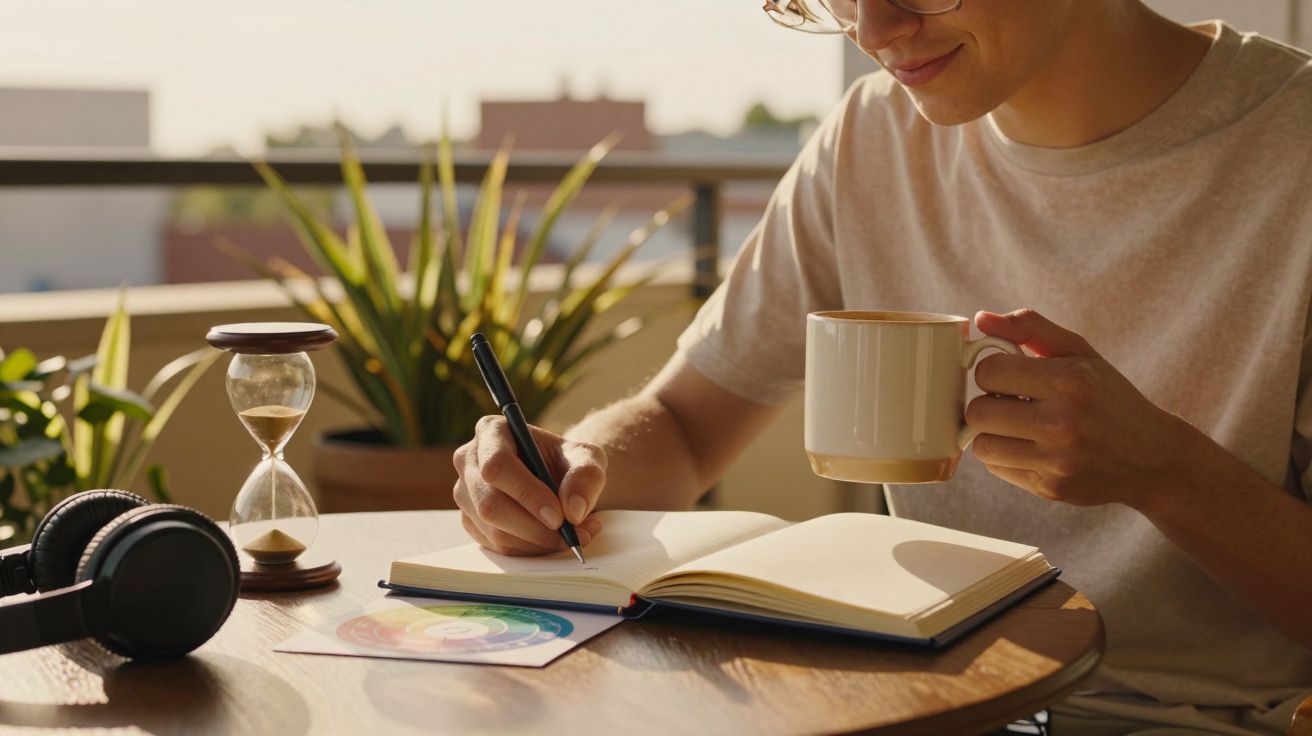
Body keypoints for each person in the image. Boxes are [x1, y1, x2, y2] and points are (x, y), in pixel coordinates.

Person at [452, 1, 1312, 732]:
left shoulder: (1292, 146)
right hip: (916, 705)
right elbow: (681, 425)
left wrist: (1166, 472)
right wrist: (566, 471)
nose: (870, 27)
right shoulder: (872, 138)